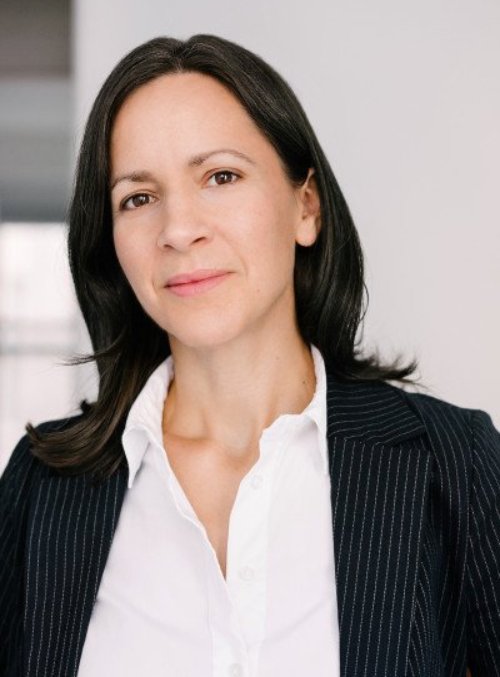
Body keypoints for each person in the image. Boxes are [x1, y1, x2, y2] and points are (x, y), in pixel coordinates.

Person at [0, 34, 498, 677]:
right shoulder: (43, 487)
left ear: (306, 207)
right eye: (138, 197)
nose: (178, 229)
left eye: (221, 176)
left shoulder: (450, 460)